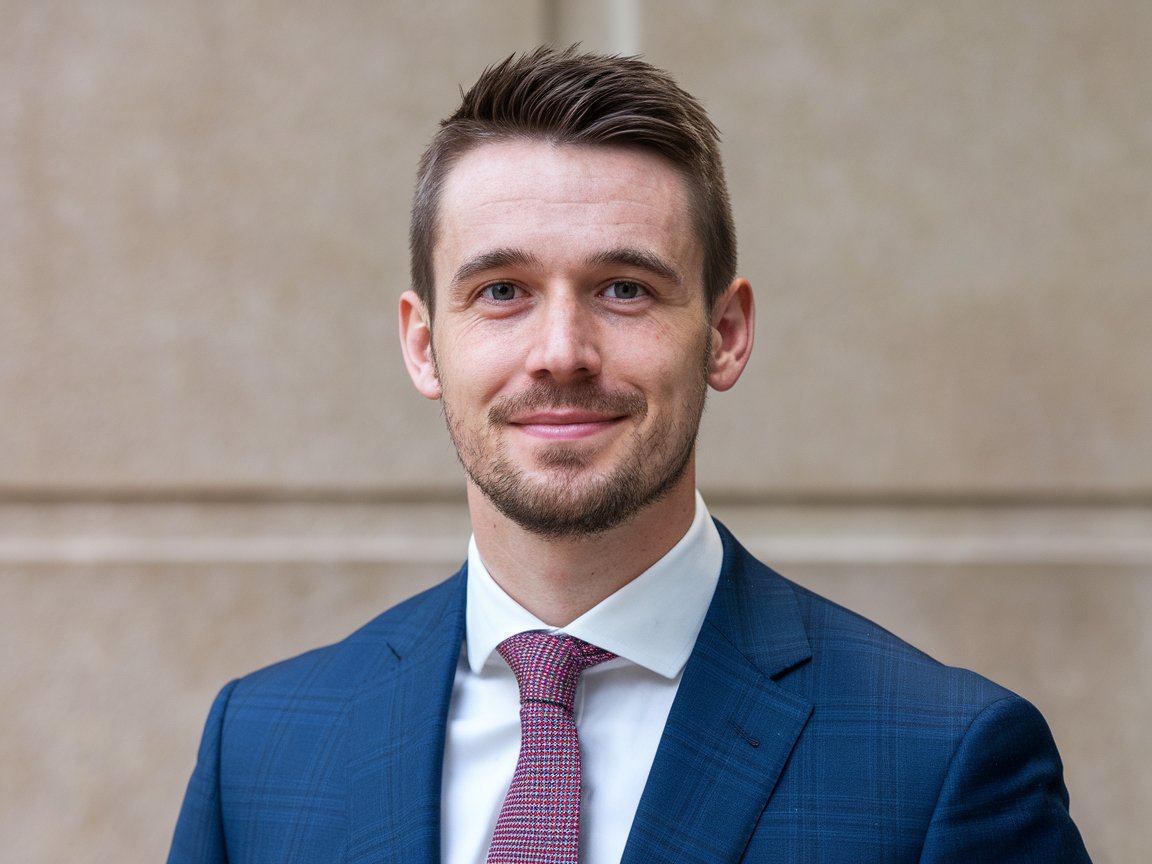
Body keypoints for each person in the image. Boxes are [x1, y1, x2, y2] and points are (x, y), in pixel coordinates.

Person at [167, 47, 1090, 863]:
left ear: (724, 334)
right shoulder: (260, 749)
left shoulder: (939, 763)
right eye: (501, 291)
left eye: (623, 288)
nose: (560, 350)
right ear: (422, 344)